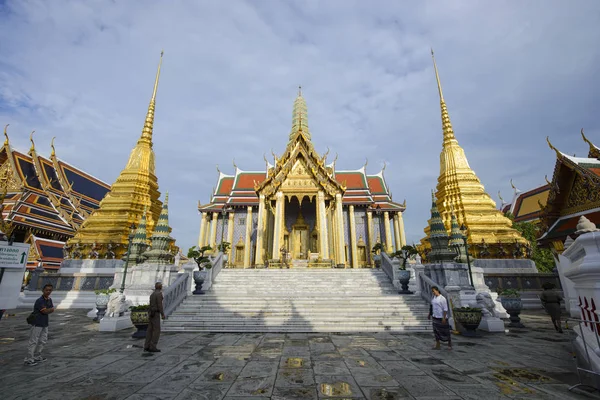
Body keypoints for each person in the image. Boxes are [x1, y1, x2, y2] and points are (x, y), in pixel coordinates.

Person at [24, 283, 54, 366]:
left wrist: (49, 310)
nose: (48, 291)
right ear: (43, 290)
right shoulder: (40, 300)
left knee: (43, 340)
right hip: (37, 323)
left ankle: (37, 355)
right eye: (46, 290)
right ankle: (29, 358)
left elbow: (51, 309)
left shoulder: (49, 300)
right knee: (33, 341)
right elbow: (45, 311)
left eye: (50, 290)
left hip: (44, 323)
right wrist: (49, 310)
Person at [428, 286, 452, 350]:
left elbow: (445, 309)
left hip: (441, 317)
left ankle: (449, 344)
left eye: (434, 291)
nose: (433, 292)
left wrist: (444, 317)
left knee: (445, 331)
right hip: (435, 316)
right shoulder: (433, 298)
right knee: (436, 331)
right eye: (432, 291)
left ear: (437, 290)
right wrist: (429, 314)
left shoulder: (442, 298)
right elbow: (431, 306)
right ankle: (437, 344)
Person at [144, 282, 165, 352]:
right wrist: (162, 314)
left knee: (149, 330)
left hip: (151, 313)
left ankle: (146, 345)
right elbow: (160, 305)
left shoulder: (152, 294)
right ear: (160, 287)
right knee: (156, 330)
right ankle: (153, 346)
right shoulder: (159, 294)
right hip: (155, 313)